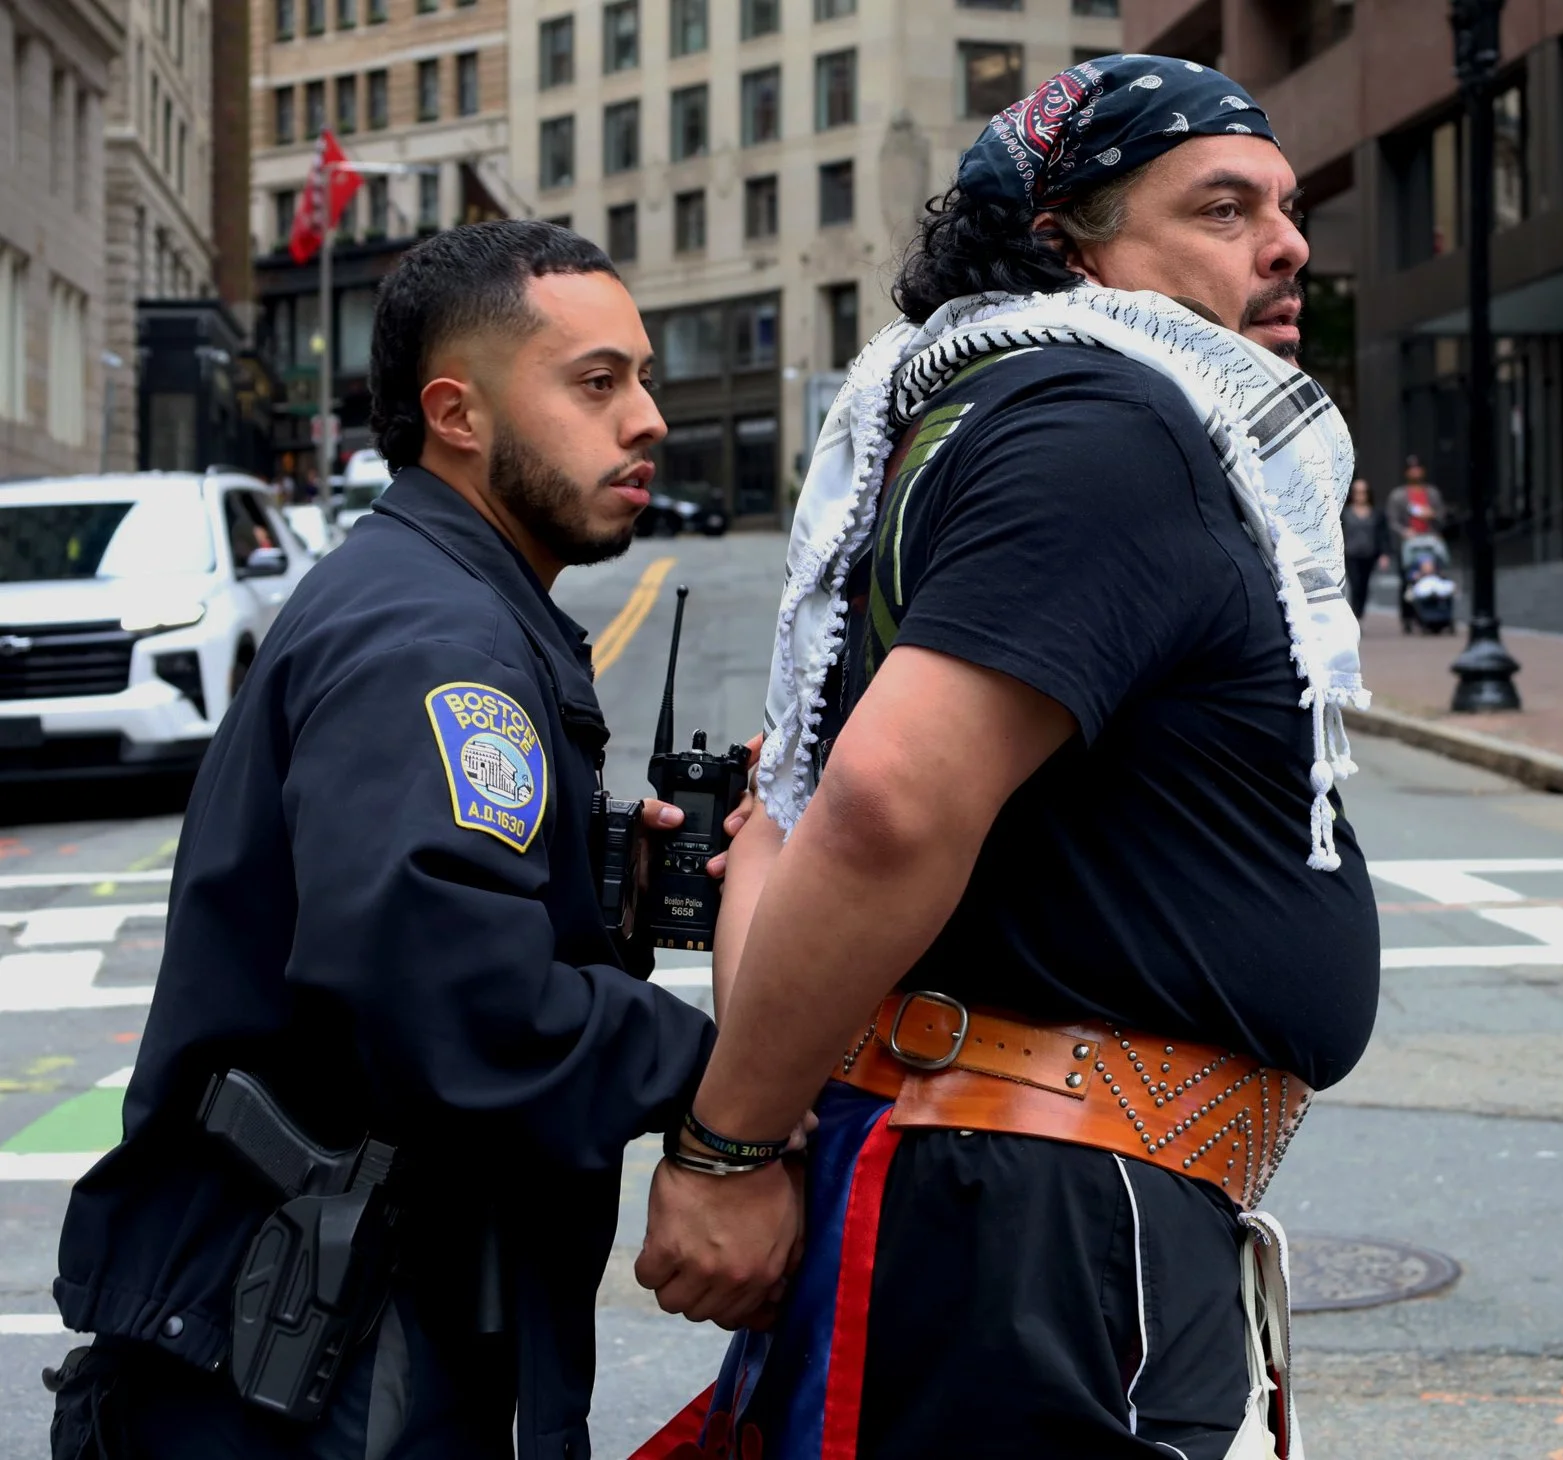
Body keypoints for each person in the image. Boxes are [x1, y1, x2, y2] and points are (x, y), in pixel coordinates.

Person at [632, 55, 1380, 1460]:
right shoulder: (1104, 424)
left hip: (1005, 1201)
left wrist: (760, 1129)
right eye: (1221, 209)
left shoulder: (973, 422)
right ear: (1068, 245)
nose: (1284, 244)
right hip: (1040, 1216)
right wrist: (727, 1151)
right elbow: (879, 805)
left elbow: (786, 826)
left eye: (1283, 206)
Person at [48, 221, 751, 1458]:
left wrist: (592, 899)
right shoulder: (436, 638)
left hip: (322, 1324)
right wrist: (712, 1076)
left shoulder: (436, 595)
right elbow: (446, 1002)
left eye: (642, 377)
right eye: (596, 382)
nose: (645, 418)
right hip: (311, 1356)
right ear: (457, 414)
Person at [1343, 476, 1391, 620]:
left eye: (1363, 492)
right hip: (1350, 554)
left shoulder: (1376, 513)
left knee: (1364, 585)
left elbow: (1383, 535)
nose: (1360, 495)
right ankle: (1354, 615)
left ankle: (1359, 614)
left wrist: (1384, 554)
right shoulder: (1345, 513)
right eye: (1357, 492)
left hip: (1369, 554)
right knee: (1355, 584)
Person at [1386, 454, 1446, 540]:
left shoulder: (1433, 493)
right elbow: (1392, 522)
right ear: (1406, 472)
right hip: (1408, 541)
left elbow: (1443, 518)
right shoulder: (1397, 495)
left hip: (1431, 538)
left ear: (1424, 470)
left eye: (1418, 468)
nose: (1415, 471)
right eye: (1411, 468)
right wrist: (1404, 531)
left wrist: (1432, 515)